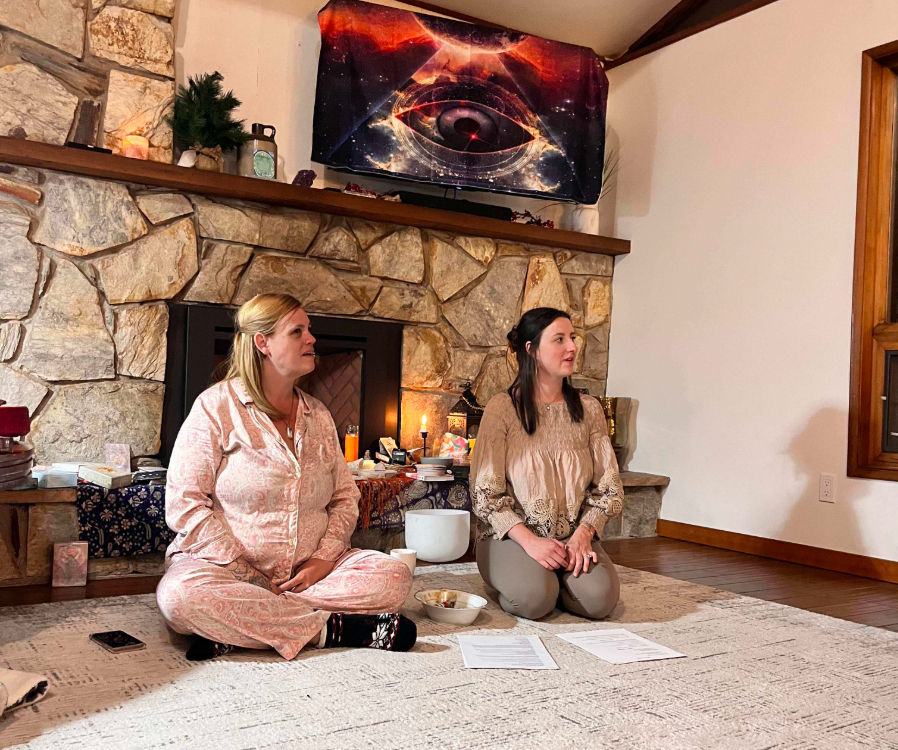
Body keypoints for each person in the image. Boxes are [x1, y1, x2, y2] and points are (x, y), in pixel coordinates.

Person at [156, 294, 415, 660]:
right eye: (297, 331)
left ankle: (244, 628)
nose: (311, 339)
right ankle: (331, 629)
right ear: (262, 343)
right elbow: (184, 505)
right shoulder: (215, 408)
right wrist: (245, 574)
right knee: (180, 598)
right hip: (224, 570)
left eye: (309, 331)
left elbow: (344, 498)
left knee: (393, 577)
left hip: (310, 574)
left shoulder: (319, 416)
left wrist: (323, 560)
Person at [470, 307, 624, 621]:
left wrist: (584, 534)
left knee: (599, 603)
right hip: (512, 536)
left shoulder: (589, 409)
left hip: (573, 535)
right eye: (559, 339)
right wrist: (531, 543)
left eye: (572, 338)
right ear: (532, 350)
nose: (572, 347)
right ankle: (529, 580)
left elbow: (608, 487)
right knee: (534, 601)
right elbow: (485, 493)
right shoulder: (503, 408)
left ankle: (556, 580)